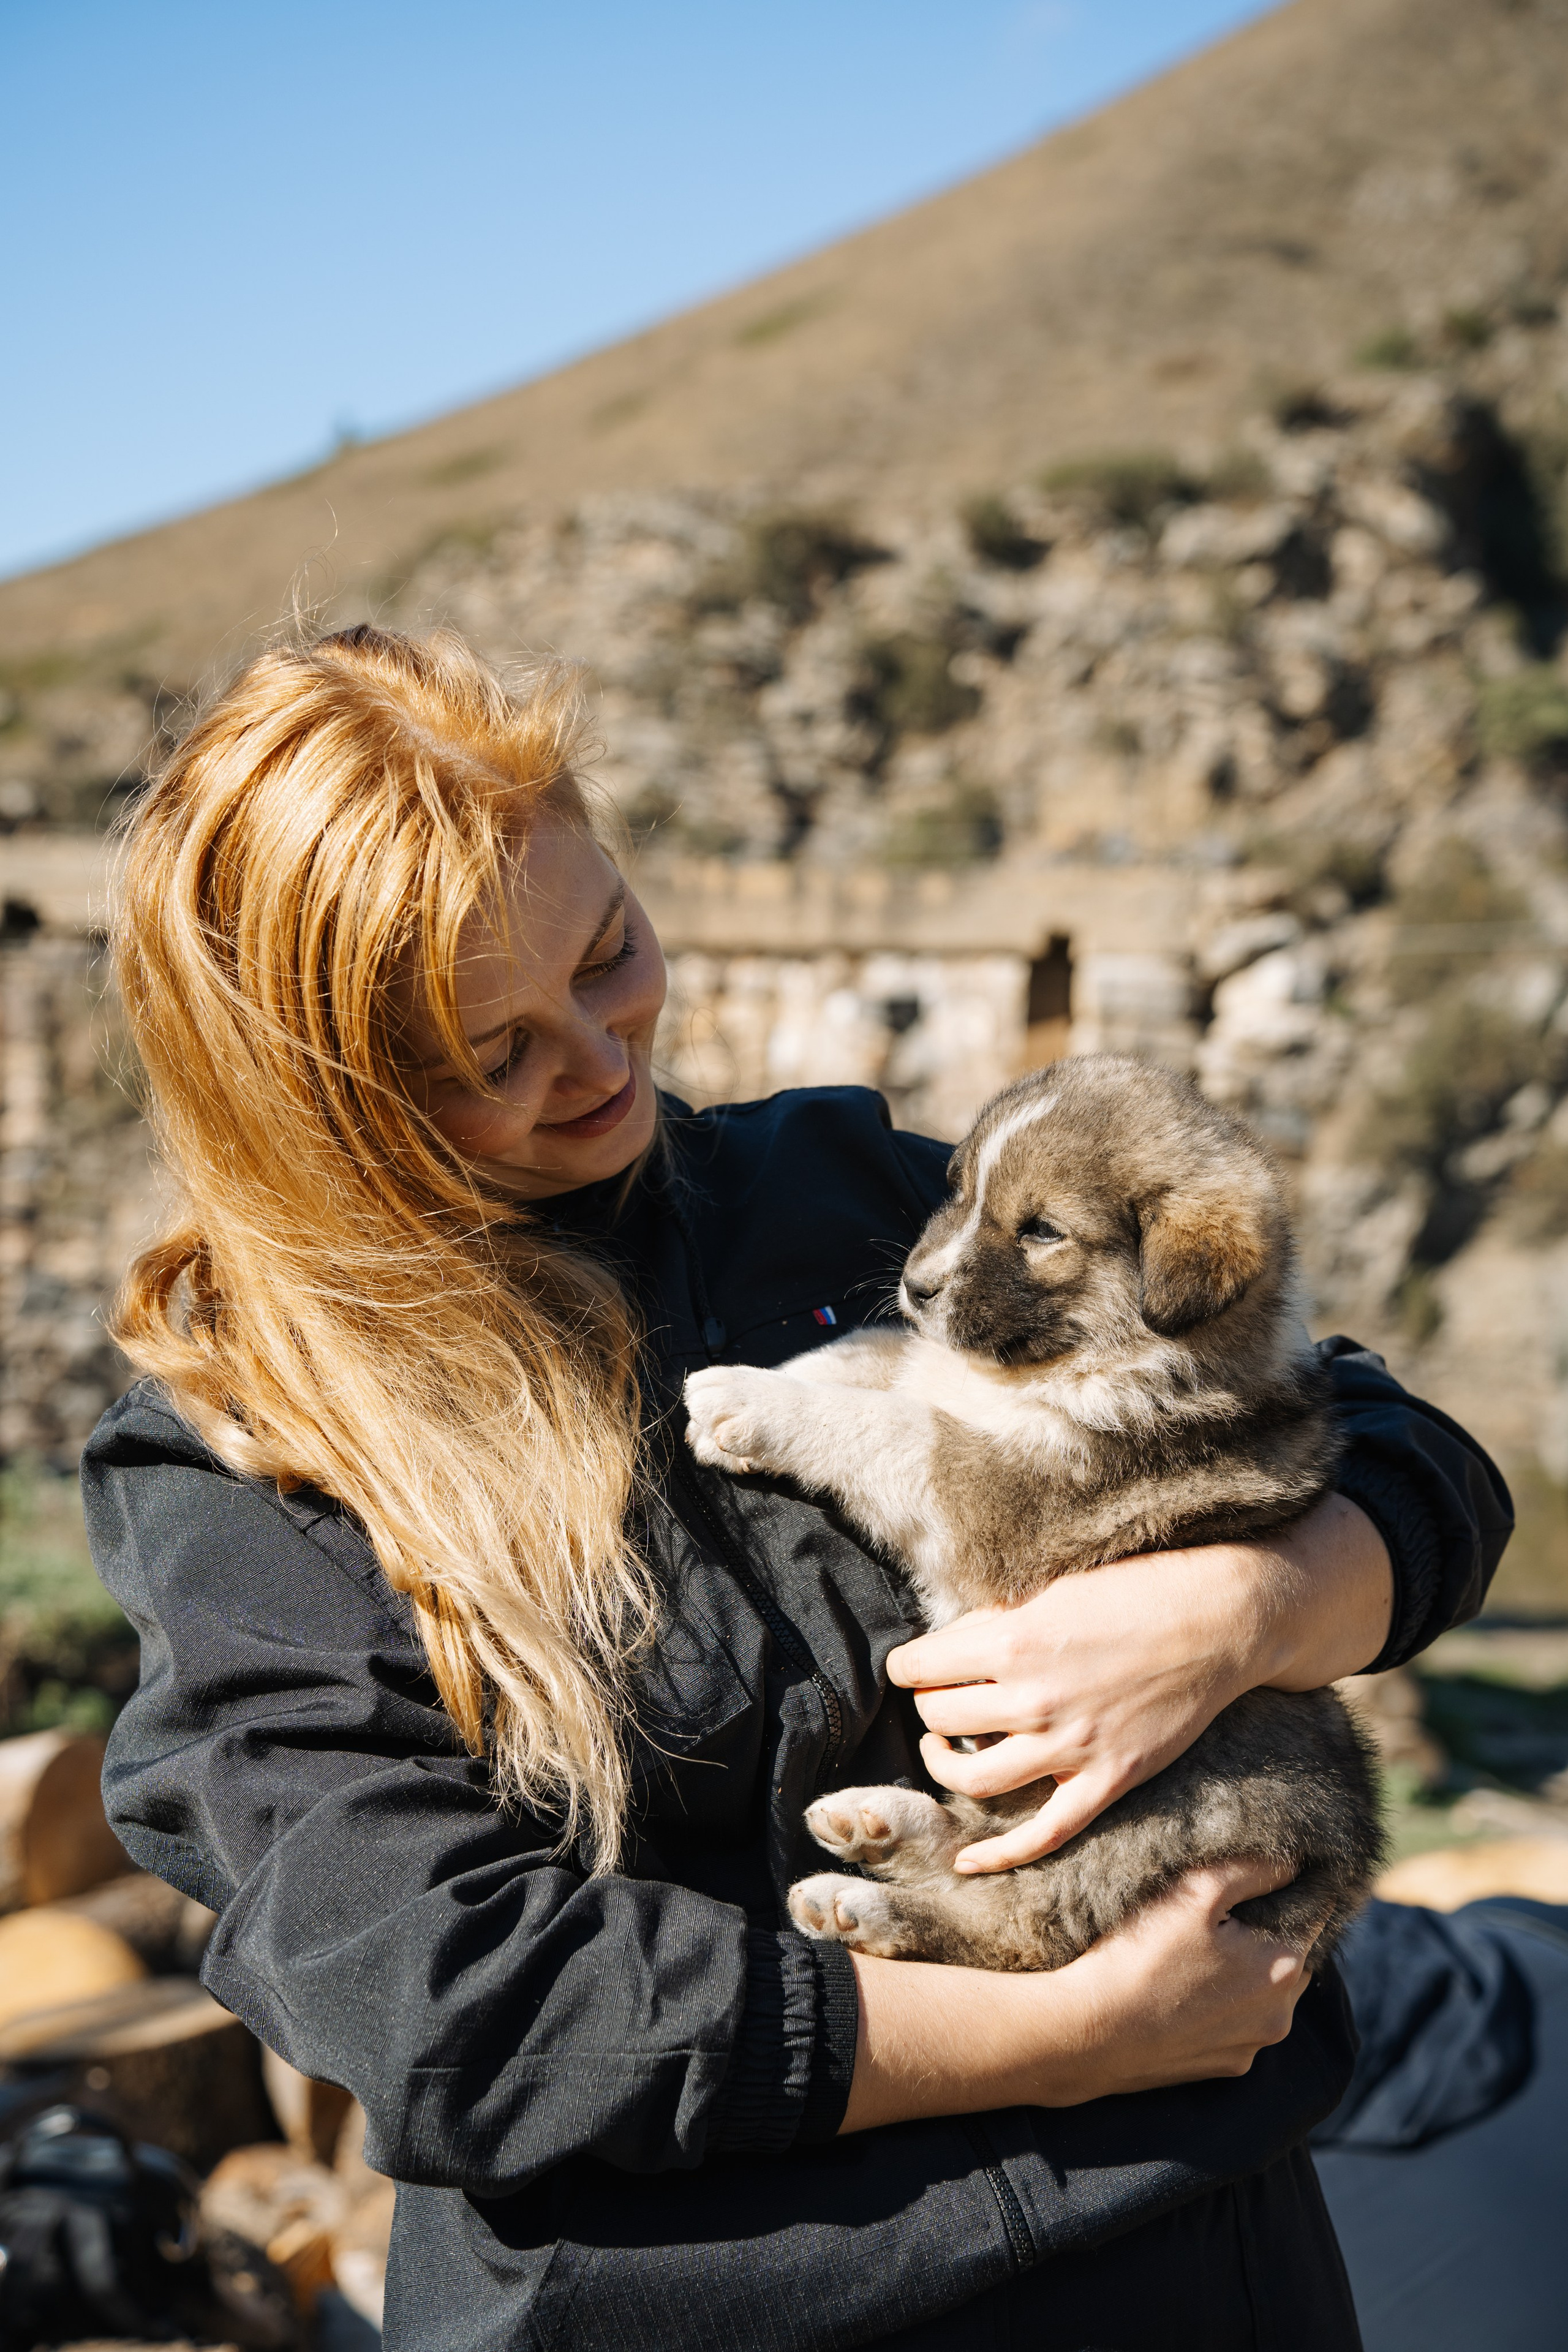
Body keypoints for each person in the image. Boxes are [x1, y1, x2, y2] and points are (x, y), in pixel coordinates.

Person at [82, 627, 1510, 2352]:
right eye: (491, 1056)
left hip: (1199, 2271)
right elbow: (457, 2010)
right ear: (318, 1101)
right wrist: (1066, 2035)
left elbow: (1384, 1434)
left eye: (608, 953)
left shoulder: (840, 1197)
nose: (602, 1067)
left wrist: (1251, 1607)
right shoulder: (246, 1456)